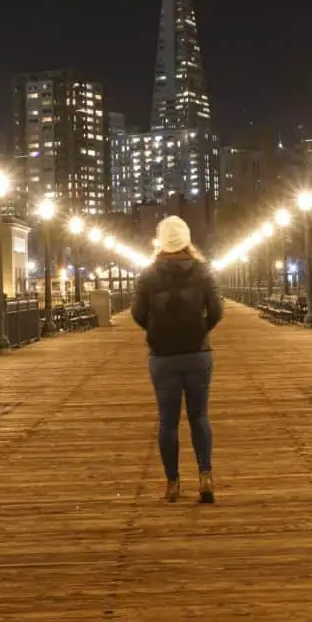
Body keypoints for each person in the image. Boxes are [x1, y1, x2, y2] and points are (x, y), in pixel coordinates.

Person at [132, 215, 223, 504]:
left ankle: (172, 483)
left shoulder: (147, 275)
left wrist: (157, 331)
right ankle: (205, 476)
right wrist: (198, 331)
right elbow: (217, 311)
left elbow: (137, 313)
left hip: (163, 357)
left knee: (168, 422)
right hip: (198, 353)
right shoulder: (204, 271)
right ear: (187, 240)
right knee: (200, 415)